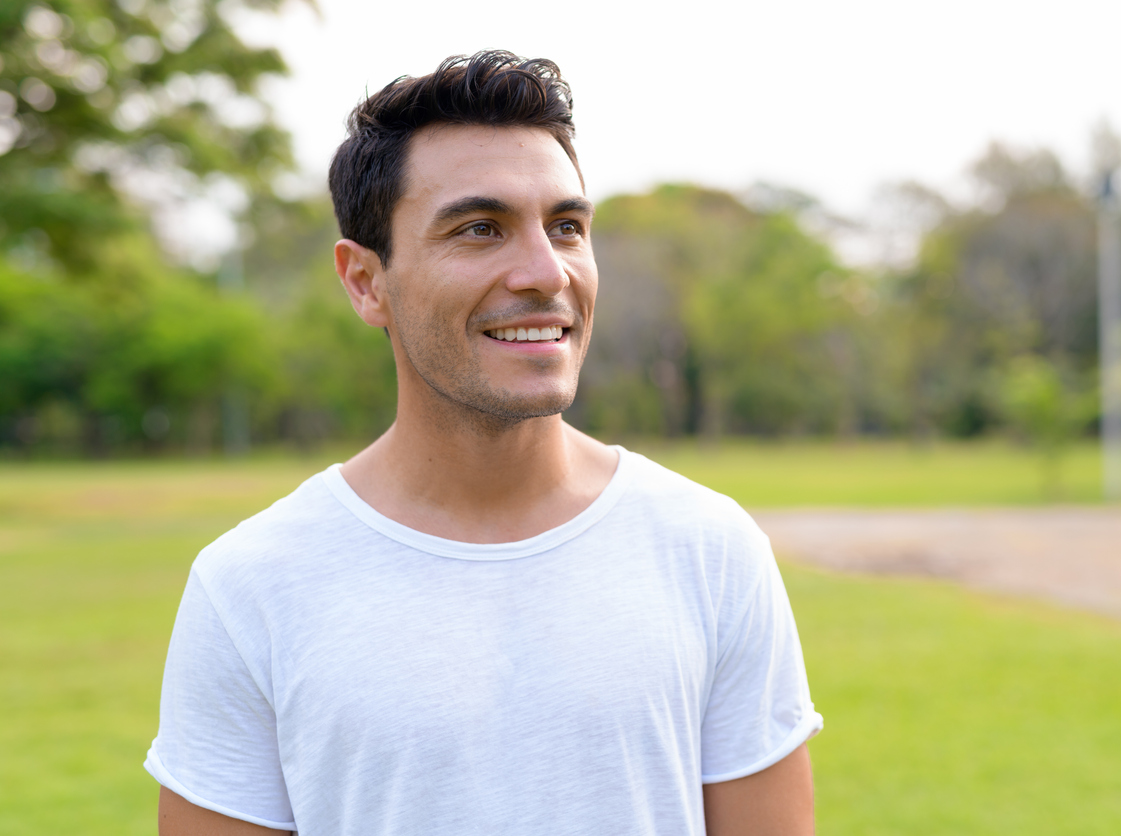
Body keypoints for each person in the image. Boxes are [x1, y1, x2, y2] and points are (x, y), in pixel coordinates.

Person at [146, 50, 822, 836]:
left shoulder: (709, 549)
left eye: (567, 227)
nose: (545, 271)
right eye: (479, 229)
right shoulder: (252, 587)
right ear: (366, 282)